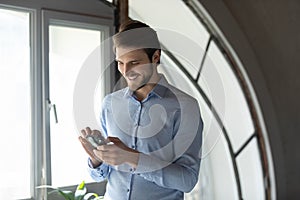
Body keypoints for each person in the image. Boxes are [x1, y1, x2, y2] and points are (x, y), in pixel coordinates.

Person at [79, 19, 203, 200]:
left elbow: (187, 180)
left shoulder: (185, 107)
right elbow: (102, 174)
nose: (126, 71)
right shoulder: (110, 104)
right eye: (120, 62)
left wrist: (133, 158)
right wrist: (97, 159)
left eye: (134, 62)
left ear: (155, 57)